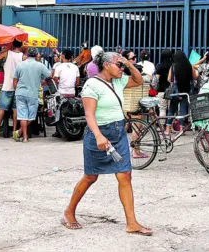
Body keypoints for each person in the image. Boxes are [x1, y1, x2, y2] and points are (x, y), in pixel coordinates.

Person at [61, 50, 151, 236]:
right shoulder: (92, 85)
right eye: (118, 65)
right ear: (106, 65)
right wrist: (99, 136)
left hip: (118, 132)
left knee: (125, 175)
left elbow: (139, 80)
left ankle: (132, 222)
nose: (121, 69)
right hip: (99, 134)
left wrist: (128, 64)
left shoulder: (119, 81)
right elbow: (89, 114)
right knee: (90, 177)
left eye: (121, 65)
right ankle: (69, 212)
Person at [0, 39, 25, 139]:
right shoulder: (23, 57)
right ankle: (14, 132)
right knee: (16, 110)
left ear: (12, 44)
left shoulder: (6, 53)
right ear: (21, 45)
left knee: (2, 110)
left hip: (7, 86)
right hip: (18, 87)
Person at [13, 47, 51, 142]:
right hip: (32, 94)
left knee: (22, 116)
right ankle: (21, 133)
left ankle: (24, 136)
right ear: (36, 55)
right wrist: (44, 83)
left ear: (27, 54)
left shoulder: (20, 65)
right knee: (31, 116)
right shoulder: (40, 65)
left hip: (20, 93)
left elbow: (15, 80)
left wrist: (16, 90)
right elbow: (49, 76)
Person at [165, 51, 198, 135]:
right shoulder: (189, 66)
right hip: (185, 91)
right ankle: (181, 129)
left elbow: (169, 79)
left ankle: (168, 129)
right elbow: (195, 77)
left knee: (171, 110)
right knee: (183, 110)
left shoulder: (173, 67)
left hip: (175, 92)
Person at [154, 50, 173, 123]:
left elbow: (156, 79)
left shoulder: (159, 66)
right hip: (170, 90)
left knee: (162, 109)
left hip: (161, 90)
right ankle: (170, 127)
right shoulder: (173, 65)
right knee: (171, 109)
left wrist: (154, 87)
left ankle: (162, 126)